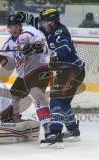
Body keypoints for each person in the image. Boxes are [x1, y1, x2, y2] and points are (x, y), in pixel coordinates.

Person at [0, 14, 63, 148]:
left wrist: (35, 47)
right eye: (11, 27)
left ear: (20, 26)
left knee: (37, 96)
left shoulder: (30, 32)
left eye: (16, 26)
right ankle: (13, 120)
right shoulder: (9, 43)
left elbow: (45, 47)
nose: (14, 29)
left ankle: (50, 133)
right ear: (8, 28)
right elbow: (9, 65)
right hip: (24, 76)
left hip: (39, 69)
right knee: (11, 98)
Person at [17, 8, 85, 143]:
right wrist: (23, 16)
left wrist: (52, 54)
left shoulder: (61, 32)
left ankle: (55, 134)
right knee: (64, 102)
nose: (41, 24)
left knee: (57, 101)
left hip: (72, 71)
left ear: (52, 22)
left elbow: (65, 48)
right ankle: (72, 129)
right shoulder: (49, 29)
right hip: (66, 72)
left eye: (44, 22)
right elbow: (36, 23)